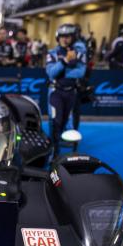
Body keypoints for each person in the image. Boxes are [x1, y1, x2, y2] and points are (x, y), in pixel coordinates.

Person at [46, 23, 87, 157]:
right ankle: (54, 152)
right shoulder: (52, 53)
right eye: (62, 36)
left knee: (68, 123)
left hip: (71, 92)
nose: (65, 39)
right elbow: (51, 73)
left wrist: (62, 73)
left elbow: (81, 72)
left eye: (68, 36)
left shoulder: (79, 53)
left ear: (73, 37)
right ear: (58, 37)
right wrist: (65, 61)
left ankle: (70, 152)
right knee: (55, 122)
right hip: (55, 92)